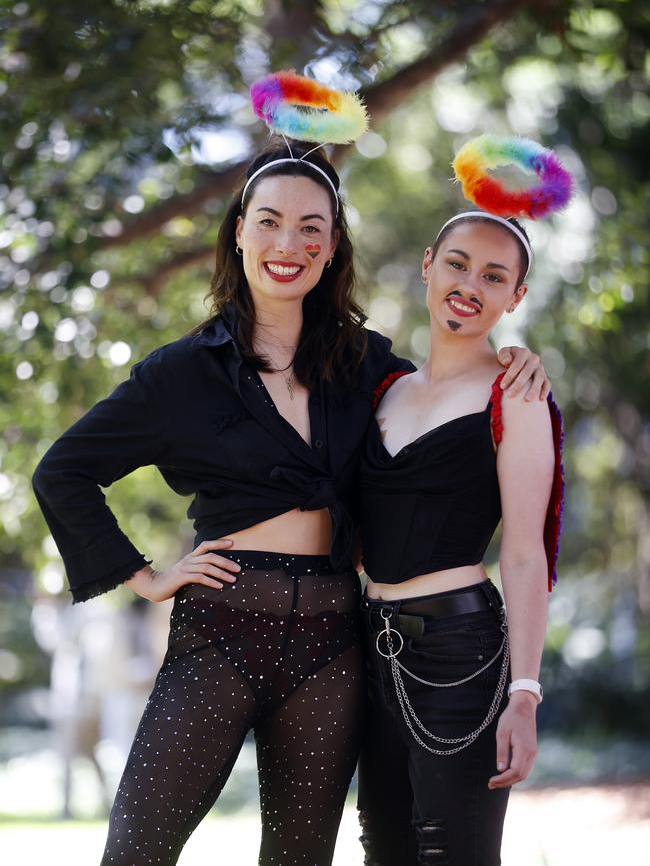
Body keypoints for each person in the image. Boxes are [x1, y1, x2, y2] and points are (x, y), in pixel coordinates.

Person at [32, 142, 549, 866]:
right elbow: (64, 470)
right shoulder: (181, 372)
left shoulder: (368, 364)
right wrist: (142, 574)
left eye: (313, 226)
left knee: (299, 858)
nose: (289, 243)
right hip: (221, 628)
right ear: (239, 229)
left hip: (334, 644)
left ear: (333, 245)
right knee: (137, 849)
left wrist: (516, 359)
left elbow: (446, 396)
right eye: (270, 221)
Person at [357, 211, 564, 866]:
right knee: (384, 851)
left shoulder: (517, 393)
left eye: (493, 275)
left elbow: (526, 553)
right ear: (428, 264)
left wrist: (524, 695)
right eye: (457, 263)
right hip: (367, 647)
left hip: (459, 656)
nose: (469, 283)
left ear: (516, 296)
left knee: (456, 855)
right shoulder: (383, 388)